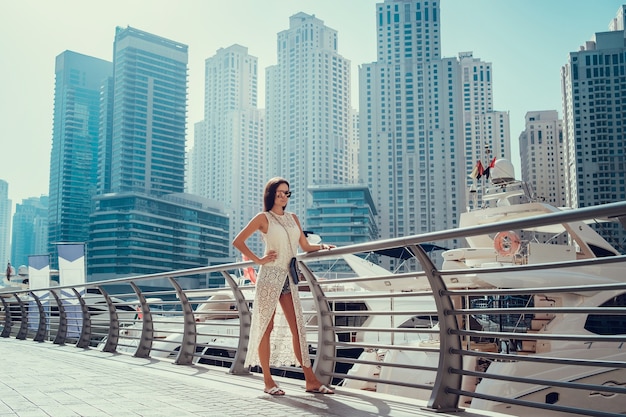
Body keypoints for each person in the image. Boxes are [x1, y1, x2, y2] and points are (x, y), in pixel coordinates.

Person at [233, 177, 336, 396]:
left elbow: (305, 246)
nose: (283, 196)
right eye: (279, 192)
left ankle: (311, 380)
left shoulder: (293, 218)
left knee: (298, 328)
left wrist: (322, 246)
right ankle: (268, 381)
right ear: (271, 194)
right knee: (266, 329)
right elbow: (238, 241)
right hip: (269, 277)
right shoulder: (263, 218)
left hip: (289, 278)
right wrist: (259, 260)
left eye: (287, 193)